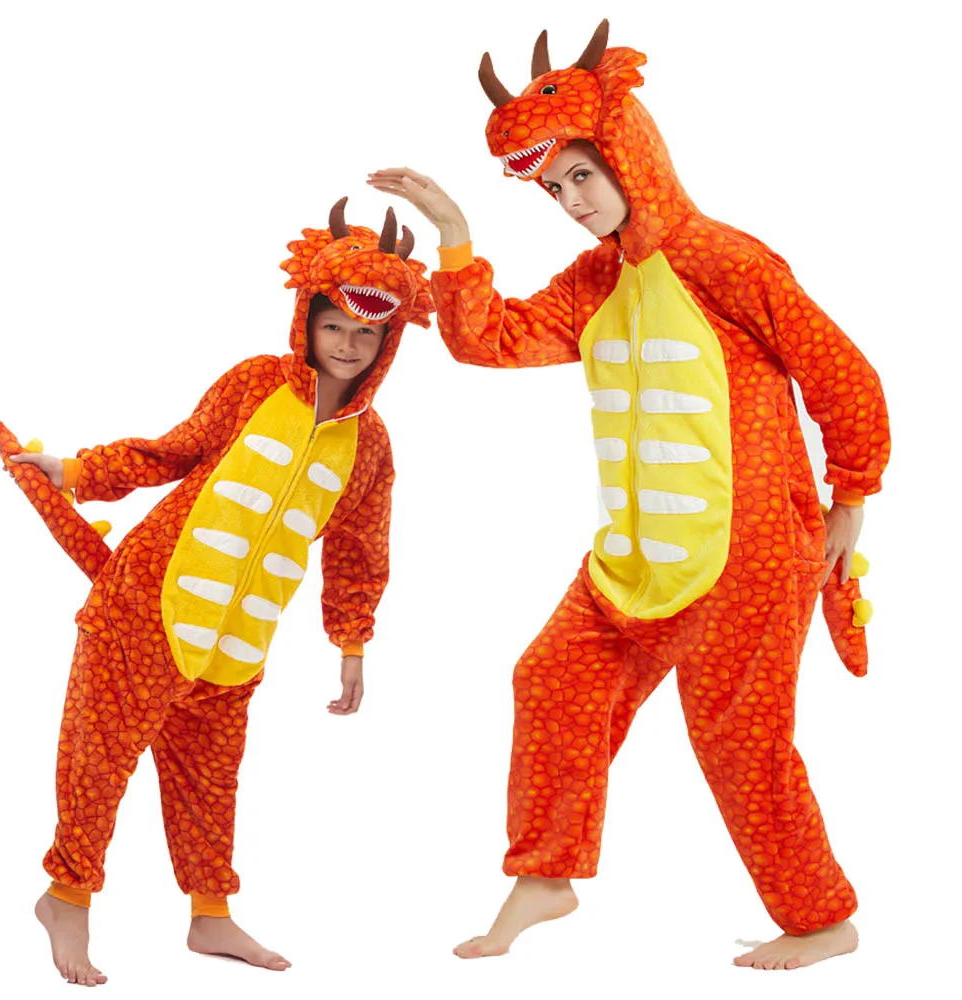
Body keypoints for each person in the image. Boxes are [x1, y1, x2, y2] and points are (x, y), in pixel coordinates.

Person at [368, 19, 889, 972]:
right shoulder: (593, 279)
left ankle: (821, 921)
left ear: (628, 155)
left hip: (748, 560)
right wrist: (453, 235)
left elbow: (841, 373)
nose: (571, 202)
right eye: (555, 188)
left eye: (582, 176)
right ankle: (547, 876)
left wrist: (850, 498)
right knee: (551, 680)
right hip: (632, 561)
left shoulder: (728, 261)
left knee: (740, 744)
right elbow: (491, 340)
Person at [2, 197, 434, 986]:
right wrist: (76, 471)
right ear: (307, 322)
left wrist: (352, 644)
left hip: (238, 642)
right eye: (333, 326)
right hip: (146, 607)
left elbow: (359, 551)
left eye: (365, 333)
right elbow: (172, 452)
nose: (347, 344)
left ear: (388, 342)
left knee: (210, 778)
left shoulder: (369, 446)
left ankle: (211, 916)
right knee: (100, 758)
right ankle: (66, 896)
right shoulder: (254, 383)